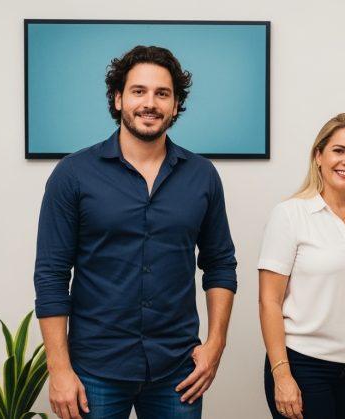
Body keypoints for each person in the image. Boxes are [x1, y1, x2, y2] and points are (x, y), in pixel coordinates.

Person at [33, 45, 237, 419]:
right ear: (118, 99)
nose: (150, 103)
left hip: (177, 369)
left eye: (162, 94)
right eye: (138, 91)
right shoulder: (73, 175)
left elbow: (221, 264)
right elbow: (51, 277)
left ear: (176, 105)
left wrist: (216, 343)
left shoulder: (202, 175)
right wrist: (58, 369)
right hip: (94, 370)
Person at [258, 113, 345, 419]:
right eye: (338, 150)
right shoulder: (290, 214)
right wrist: (282, 375)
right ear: (318, 155)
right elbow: (269, 301)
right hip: (305, 365)